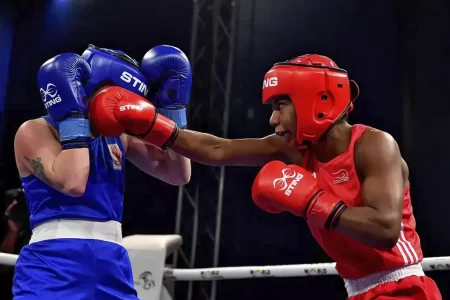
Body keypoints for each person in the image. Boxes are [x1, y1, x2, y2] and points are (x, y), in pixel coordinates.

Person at [91, 54, 442, 299]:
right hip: (357, 290)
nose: (273, 120)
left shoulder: (374, 145)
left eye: (280, 106)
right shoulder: (294, 150)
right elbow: (219, 150)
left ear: (314, 100)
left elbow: (385, 229)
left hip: (404, 289)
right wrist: (151, 124)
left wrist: (313, 202)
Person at [13, 44, 191, 299]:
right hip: (54, 262)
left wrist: (173, 110)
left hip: (112, 263)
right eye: (116, 96)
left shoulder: (120, 137)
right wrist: (76, 116)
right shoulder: (35, 131)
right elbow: (73, 182)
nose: (121, 105)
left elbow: (178, 174)